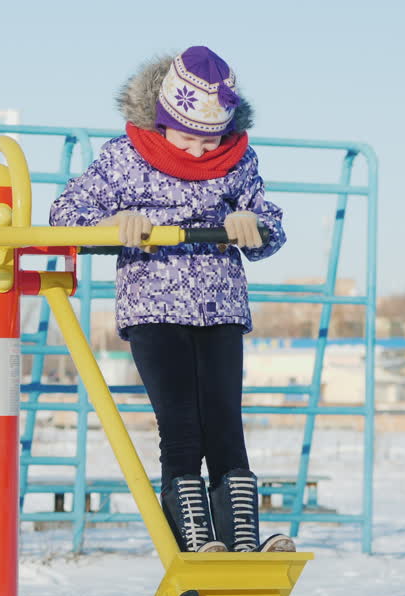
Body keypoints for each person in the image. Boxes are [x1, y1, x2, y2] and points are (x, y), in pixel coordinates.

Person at [49, 46, 295, 553]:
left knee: (225, 420)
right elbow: (63, 215)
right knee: (181, 423)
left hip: (221, 306)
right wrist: (112, 225)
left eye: (213, 139)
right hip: (153, 307)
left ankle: (242, 539)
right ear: (164, 121)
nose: (203, 151)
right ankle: (194, 539)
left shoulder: (239, 160)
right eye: (189, 137)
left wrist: (253, 227)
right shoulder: (125, 157)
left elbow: (271, 226)